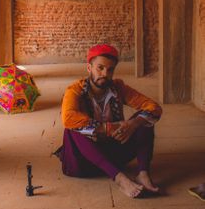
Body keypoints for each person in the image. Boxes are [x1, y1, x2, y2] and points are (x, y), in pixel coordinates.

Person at [55, 43, 162, 198]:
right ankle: (119, 178)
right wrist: (107, 128)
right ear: (89, 68)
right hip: (82, 162)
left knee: (145, 119)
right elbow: (68, 118)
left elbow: (154, 107)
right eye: (100, 67)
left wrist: (133, 124)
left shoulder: (118, 87)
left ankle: (143, 174)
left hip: (113, 155)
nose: (105, 73)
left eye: (110, 69)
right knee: (72, 128)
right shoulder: (75, 90)